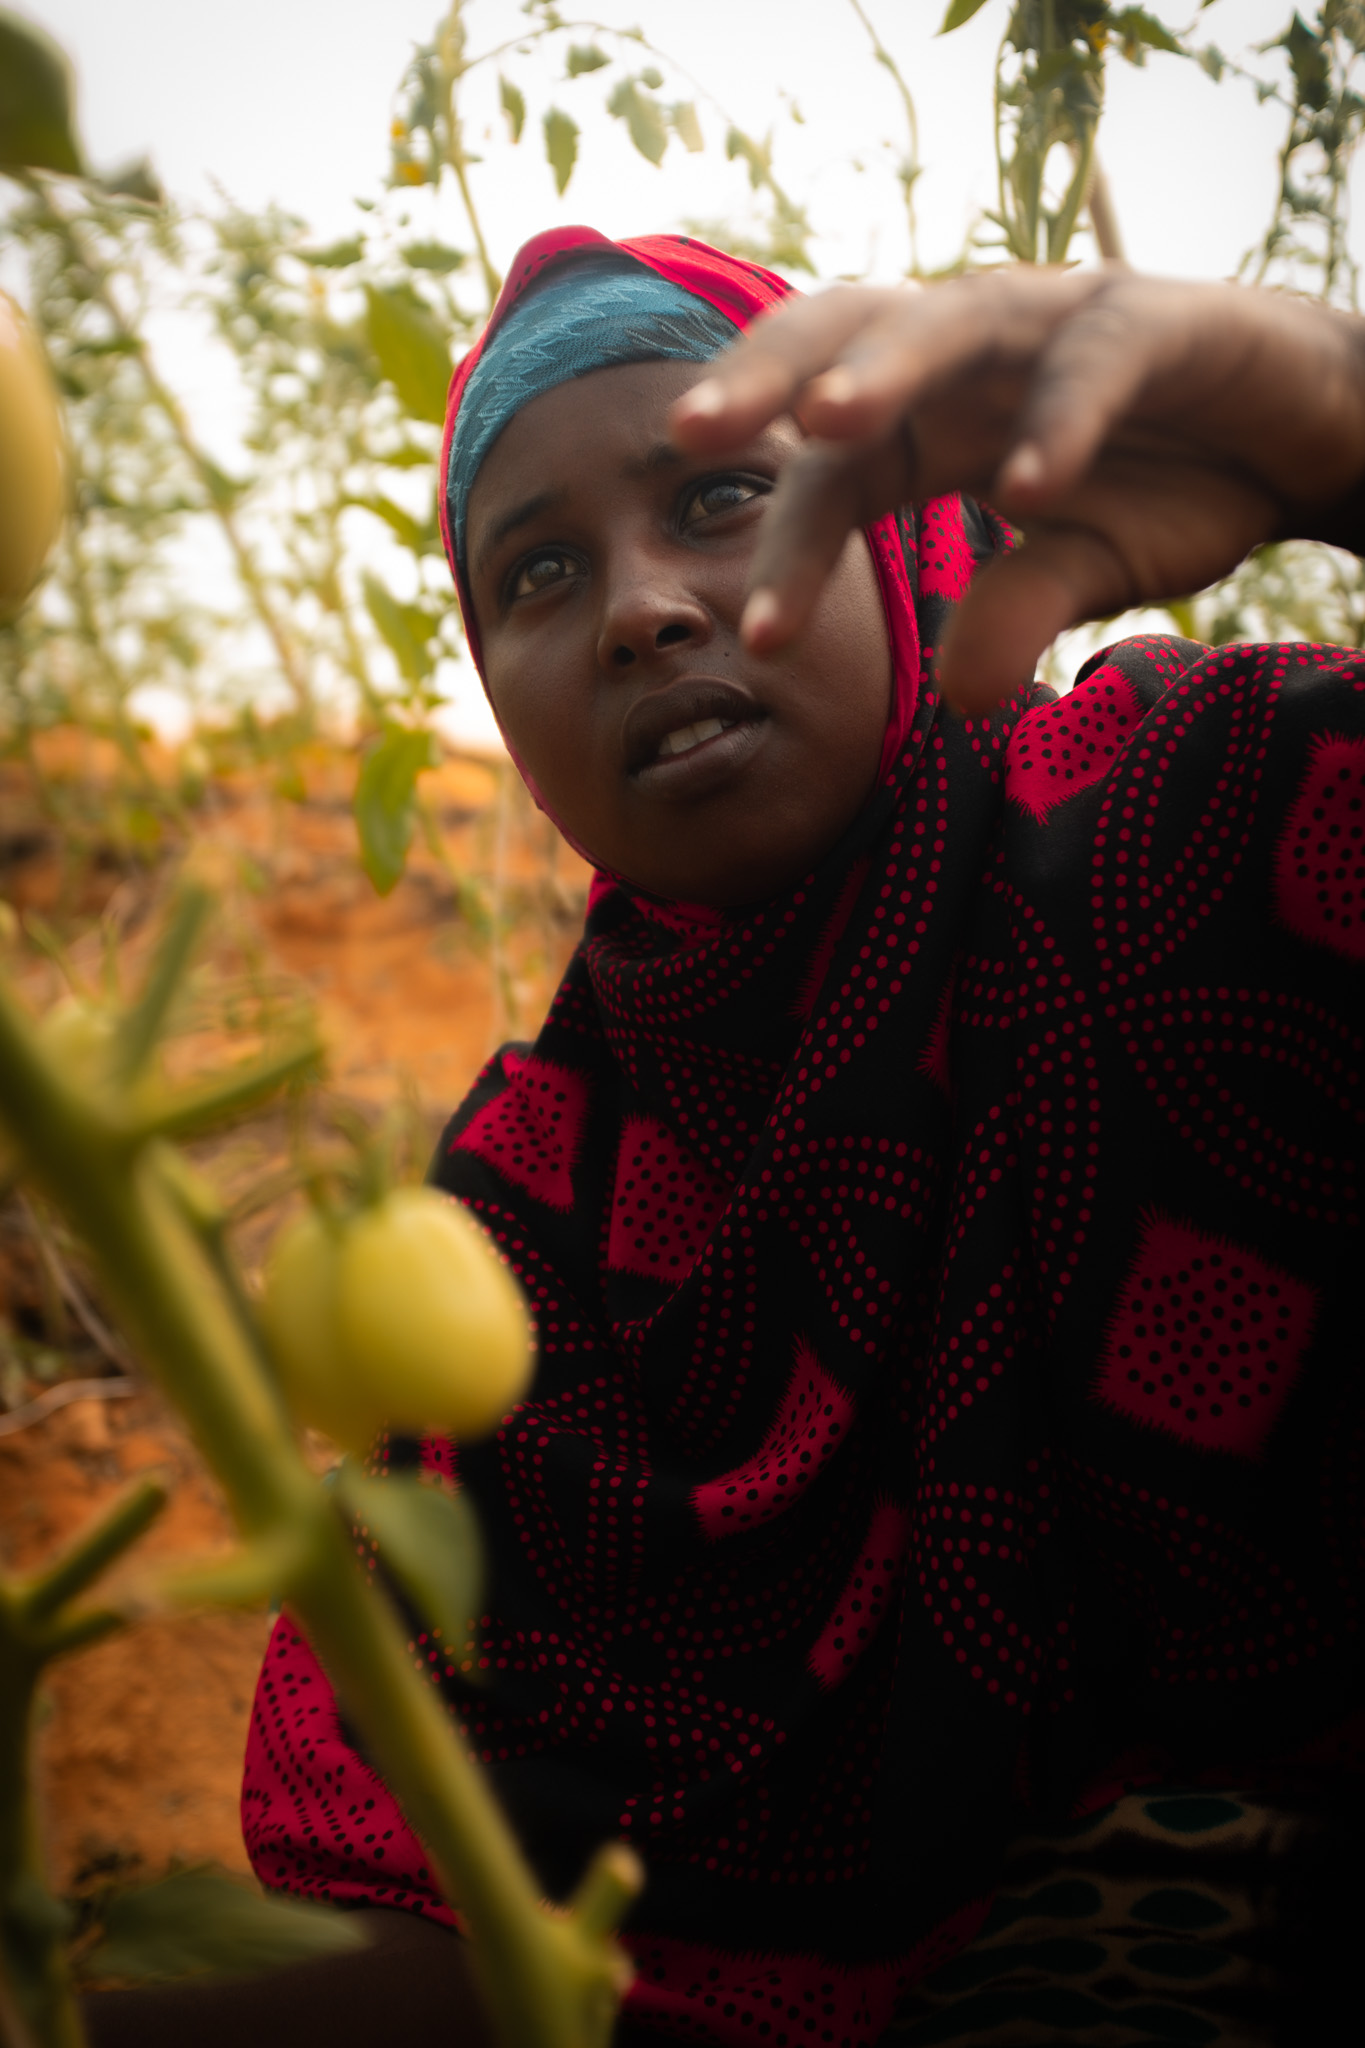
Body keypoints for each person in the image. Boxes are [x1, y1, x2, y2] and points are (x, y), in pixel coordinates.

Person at [85, 235, 1365, 2048]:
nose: (638, 607)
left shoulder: (1216, 824)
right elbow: (412, 1894)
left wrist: (1338, 430)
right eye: (537, 569)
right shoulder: (514, 1228)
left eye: (723, 496)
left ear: (905, 533)